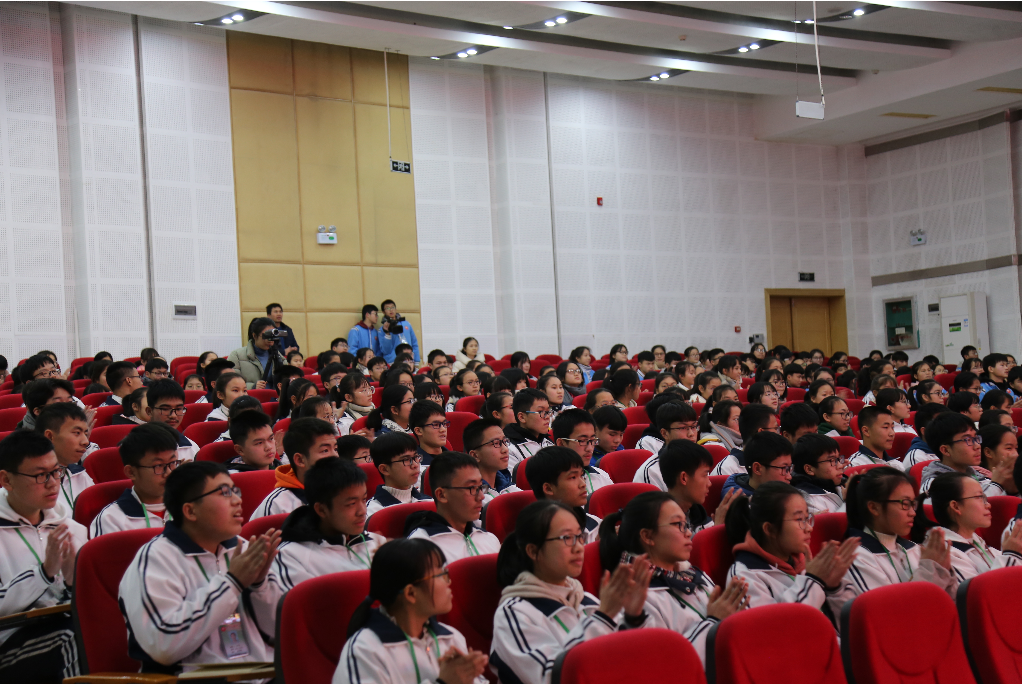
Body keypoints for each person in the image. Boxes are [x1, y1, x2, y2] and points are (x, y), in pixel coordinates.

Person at [118, 461, 282, 673]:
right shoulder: (155, 560)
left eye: (235, 491)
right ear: (190, 511)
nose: (237, 500)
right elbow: (164, 647)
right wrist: (232, 584)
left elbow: (279, 631)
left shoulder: (243, 550)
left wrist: (259, 585)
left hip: (262, 674)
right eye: (224, 493)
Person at [490, 500, 651, 684]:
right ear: (533, 551)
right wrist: (603, 617)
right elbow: (552, 678)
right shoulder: (514, 614)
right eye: (567, 538)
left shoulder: (584, 599)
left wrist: (633, 617)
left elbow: (629, 658)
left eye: (579, 536)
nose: (579, 547)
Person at [598, 492, 748, 665]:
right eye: (679, 525)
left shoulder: (692, 574)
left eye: (687, 524)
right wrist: (714, 623)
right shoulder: (637, 598)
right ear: (647, 536)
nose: (688, 533)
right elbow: (665, 664)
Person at [334, 538, 488, 684]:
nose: (449, 581)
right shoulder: (365, 651)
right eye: (440, 575)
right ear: (411, 593)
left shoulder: (450, 638)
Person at [0, 431, 86, 681]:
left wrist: (72, 582)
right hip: (8, 640)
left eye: (56, 471)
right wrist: (43, 573)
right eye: (40, 475)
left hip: (60, 625)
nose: (52, 483)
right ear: (6, 479)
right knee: (75, 636)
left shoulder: (71, 528)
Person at [725, 482, 858, 610]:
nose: (809, 528)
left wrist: (834, 588)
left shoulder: (801, 562)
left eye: (807, 518)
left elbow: (847, 620)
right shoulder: (744, 578)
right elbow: (781, 624)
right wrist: (813, 581)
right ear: (770, 529)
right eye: (799, 519)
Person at [836, 466, 956, 609]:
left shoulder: (913, 548)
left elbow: (951, 604)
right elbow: (892, 614)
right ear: (874, 507)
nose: (912, 513)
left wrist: (945, 571)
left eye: (913, 504)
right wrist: (931, 569)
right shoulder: (856, 558)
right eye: (905, 504)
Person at [273, 458, 383, 591]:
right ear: (322, 510)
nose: (363, 511)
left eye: (364, 499)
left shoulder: (375, 542)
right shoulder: (292, 556)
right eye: (351, 504)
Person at [926, 472, 1022, 581]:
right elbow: (980, 591)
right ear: (956, 506)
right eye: (979, 497)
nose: (988, 505)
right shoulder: (944, 553)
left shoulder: (976, 542)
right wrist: (1012, 555)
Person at [406, 452, 501, 562]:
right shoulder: (422, 549)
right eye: (471, 488)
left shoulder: (489, 538)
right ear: (441, 495)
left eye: (480, 487)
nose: (481, 496)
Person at [90, 423, 180, 536]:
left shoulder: (189, 506)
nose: (169, 473)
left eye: (173, 463)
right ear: (131, 472)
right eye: (158, 466)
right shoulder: (112, 520)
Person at [251, 418, 340, 518]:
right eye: (325, 450)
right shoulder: (277, 505)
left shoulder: (343, 490)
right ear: (300, 460)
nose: (335, 456)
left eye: (335, 449)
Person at [525, 446, 602, 543]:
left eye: (582, 475)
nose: (583, 484)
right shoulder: (535, 537)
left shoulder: (596, 524)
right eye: (573, 477)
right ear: (548, 488)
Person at [919, 411, 1007, 496]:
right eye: (968, 440)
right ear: (945, 450)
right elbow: (973, 504)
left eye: (975, 438)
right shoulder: (934, 486)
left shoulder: (977, 474)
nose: (977, 446)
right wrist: (996, 484)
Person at [662, 439, 736, 532]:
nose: (709, 484)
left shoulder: (699, 515)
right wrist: (717, 528)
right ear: (684, 478)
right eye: (705, 475)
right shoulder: (661, 526)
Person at [35, 403, 94, 511]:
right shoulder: (29, 481)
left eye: (85, 434)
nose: (85, 441)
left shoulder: (81, 475)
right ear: (50, 436)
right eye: (77, 433)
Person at [635, 402, 701, 488]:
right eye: (683, 428)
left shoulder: (700, 461)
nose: (691, 434)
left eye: (693, 427)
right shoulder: (652, 471)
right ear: (664, 433)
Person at [366, 432, 431, 517]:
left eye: (415, 457)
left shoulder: (429, 502)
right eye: (406, 460)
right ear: (385, 469)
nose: (415, 465)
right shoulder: (373, 512)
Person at [551, 409, 613, 496]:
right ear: (561, 443)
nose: (590, 448)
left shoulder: (601, 476)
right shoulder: (551, 482)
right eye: (582, 441)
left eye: (592, 440)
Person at [711, 404, 777, 477]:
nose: (778, 434)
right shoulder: (727, 468)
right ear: (761, 432)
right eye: (775, 428)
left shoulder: (777, 462)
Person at [721, 432, 793, 498]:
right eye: (784, 468)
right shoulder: (741, 503)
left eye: (790, 468)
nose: (789, 477)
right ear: (757, 469)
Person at [146, 379, 200, 462]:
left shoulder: (191, 448)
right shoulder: (135, 445)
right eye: (165, 409)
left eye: (178, 409)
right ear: (149, 411)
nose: (173, 416)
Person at [464, 418, 518, 501]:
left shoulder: (512, 489)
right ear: (474, 455)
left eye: (505, 441)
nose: (505, 449)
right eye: (496, 443)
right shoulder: (470, 498)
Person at [791, 433, 846, 514]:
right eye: (832, 460)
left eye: (838, 459)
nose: (840, 466)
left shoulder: (839, 484)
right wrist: (848, 501)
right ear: (809, 469)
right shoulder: (806, 500)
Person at [228, 317, 287, 389]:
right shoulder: (237, 356)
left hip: (274, 395)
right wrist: (252, 386)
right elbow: (230, 383)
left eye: (272, 335)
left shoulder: (278, 357)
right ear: (254, 336)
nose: (270, 340)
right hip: (250, 395)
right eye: (266, 335)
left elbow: (287, 382)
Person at [505, 388, 554, 471]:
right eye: (541, 412)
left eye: (548, 411)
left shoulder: (547, 441)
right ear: (522, 417)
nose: (547, 417)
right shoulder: (509, 449)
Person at [849, 406, 902, 470]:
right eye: (885, 427)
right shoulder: (854, 465)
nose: (892, 433)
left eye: (892, 427)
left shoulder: (897, 465)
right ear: (866, 431)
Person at [410, 401, 448, 488]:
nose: (443, 429)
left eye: (444, 423)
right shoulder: (414, 467)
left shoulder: (457, 460)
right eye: (436, 425)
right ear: (419, 431)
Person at [979, 423, 1018, 495]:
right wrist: (996, 484)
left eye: (1016, 448)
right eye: (1009, 448)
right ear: (988, 452)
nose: (1016, 454)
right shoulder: (977, 482)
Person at [379, 299, 419, 365]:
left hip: (409, 360)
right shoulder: (382, 330)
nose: (391, 310)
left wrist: (416, 362)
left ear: (396, 309)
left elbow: (414, 343)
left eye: (393, 307)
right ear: (383, 312)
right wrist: (387, 333)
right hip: (393, 362)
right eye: (387, 308)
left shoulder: (406, 324)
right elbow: (385, 350)